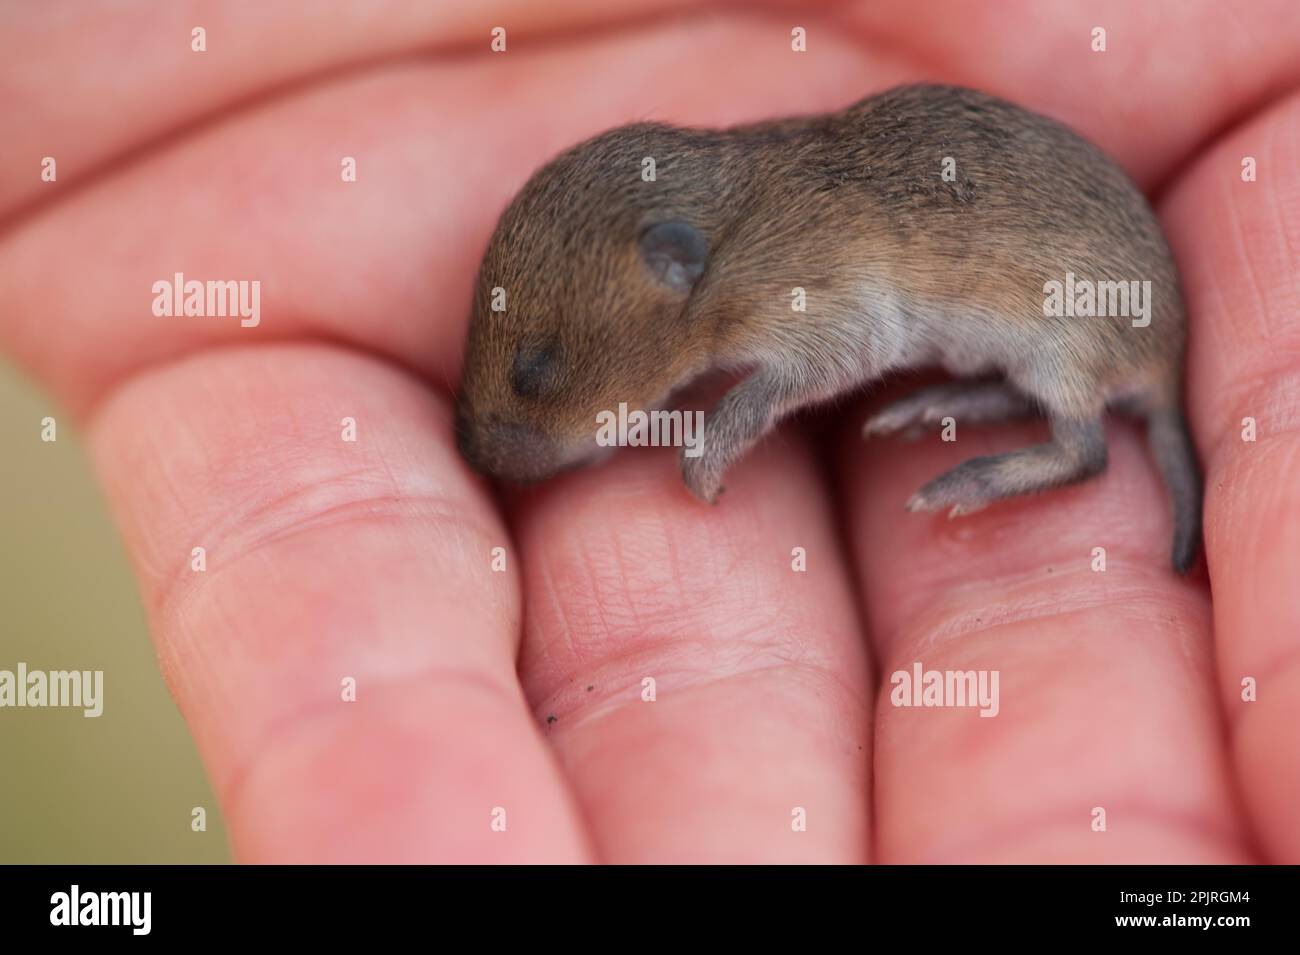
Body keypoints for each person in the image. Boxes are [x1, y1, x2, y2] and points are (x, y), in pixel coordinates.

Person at [2, 0, 1297, 863]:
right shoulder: (708, 250)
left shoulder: (788, 247)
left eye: (545, 370)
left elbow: (836, 333)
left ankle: (1069, 440)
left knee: (1053, 347)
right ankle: (1025, 400)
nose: (517, 421)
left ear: (669, 268)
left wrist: (737, 421)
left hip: (1099, 306)